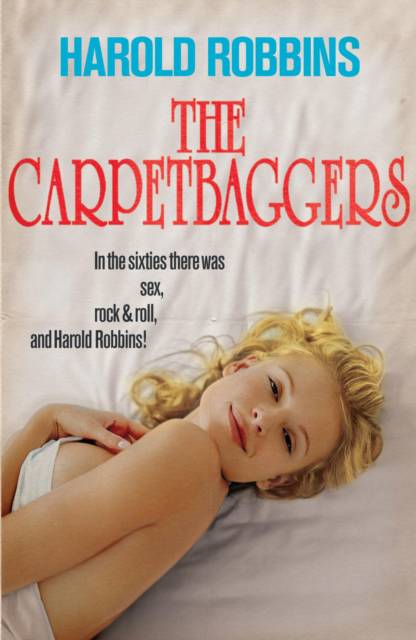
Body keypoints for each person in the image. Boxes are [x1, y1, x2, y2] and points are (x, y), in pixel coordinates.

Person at [2, 307, 384, 640]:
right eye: (274, 388)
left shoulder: (187, 454)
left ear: (276, 479)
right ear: (241, 367)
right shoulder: (169, 470)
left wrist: (42, 426)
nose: (264, 418)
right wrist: (45, 423)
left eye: (287, 439)